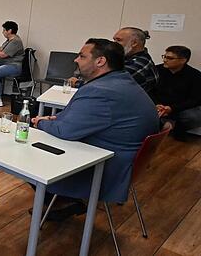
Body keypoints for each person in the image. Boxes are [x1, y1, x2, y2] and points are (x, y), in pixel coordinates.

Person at [33, 39, 159, 218]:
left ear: (100, 61)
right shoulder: (122, 81)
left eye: (82, 56)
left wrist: (40, 122)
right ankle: (63, 200)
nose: (76, 60)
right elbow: (85, 118)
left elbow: (66, 131)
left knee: (27, 154)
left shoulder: (99, 91)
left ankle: (66, 200)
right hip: (125, 160)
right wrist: (55, 118)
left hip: (107, 168)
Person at [153, 46, 201, 138]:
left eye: (170, 58)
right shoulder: (157, 70)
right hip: (158, 106)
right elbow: (149, 90)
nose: (165, 60)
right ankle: (166, 125)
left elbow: (195, 100)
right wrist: (157, 104)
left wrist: (171, 108)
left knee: (195, 116)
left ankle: (173, 127)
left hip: (180, 109)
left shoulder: (195, 76)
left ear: (183, 60)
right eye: (164, 56)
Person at [113, 27, 159, 97]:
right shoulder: (128, 57)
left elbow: (108, 83)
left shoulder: (138, 64)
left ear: (134, 43)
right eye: (114, 40)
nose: (114, 44)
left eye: (118, 40)